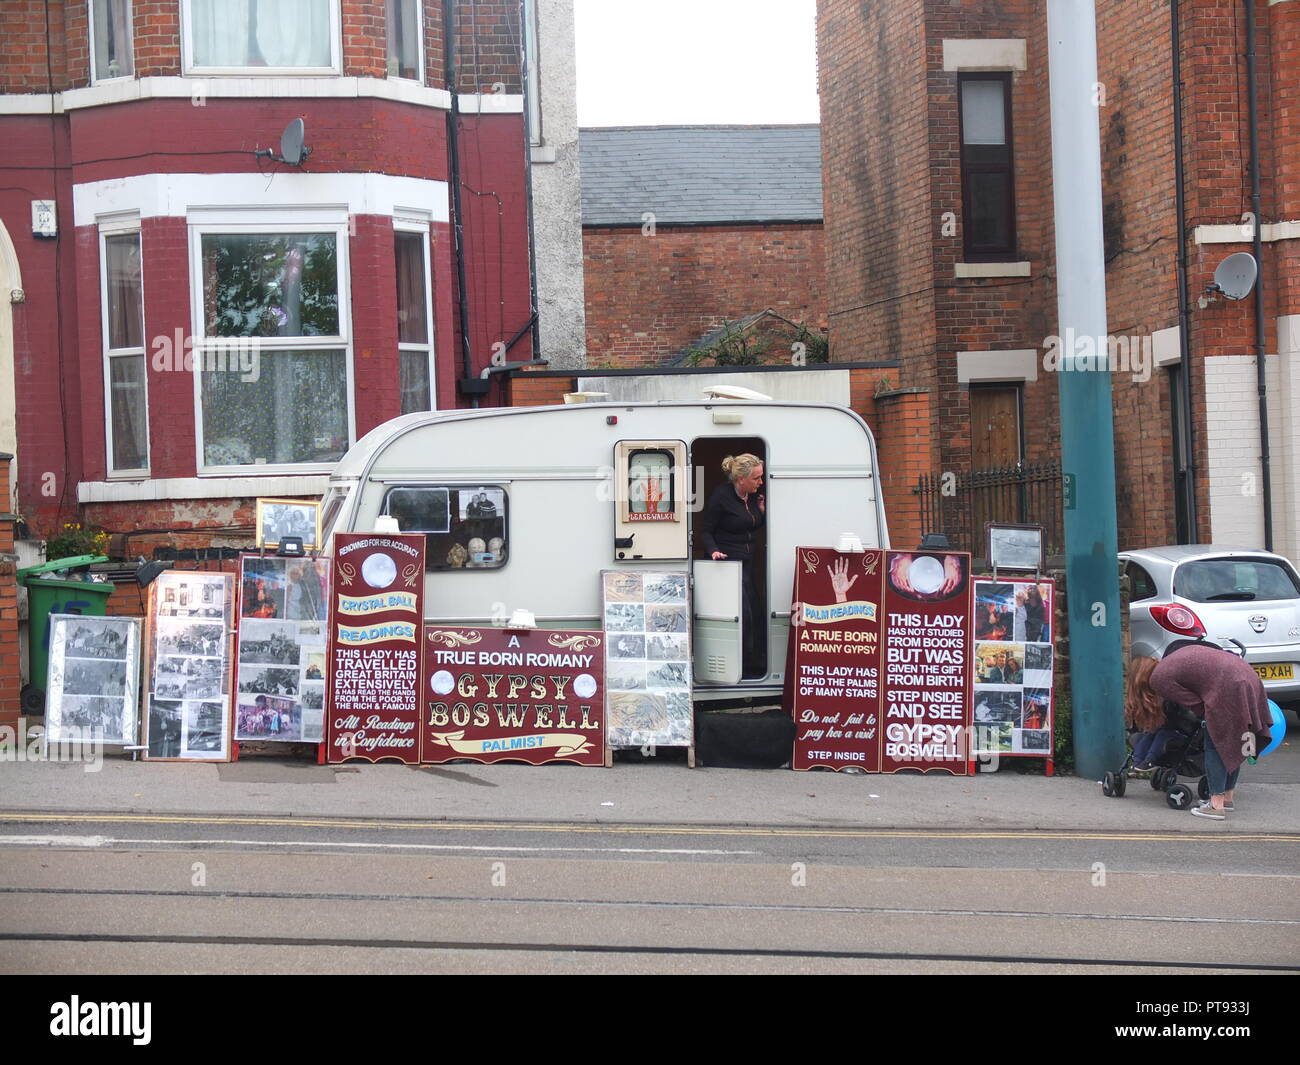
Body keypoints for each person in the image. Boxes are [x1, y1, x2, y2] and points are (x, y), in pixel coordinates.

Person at [1132, 642, 1271, 819]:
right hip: (1247, 674)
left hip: (1229, 684)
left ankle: (1215, 806)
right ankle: (1227, 798)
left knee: (1215, 745)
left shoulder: (1159, 678)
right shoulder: (1171, 662)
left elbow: (1195, 704)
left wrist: (1208, 715)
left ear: (1141, 679)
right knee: (1238, 740)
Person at [699, 453, 765, 676]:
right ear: (741, 479)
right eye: (756, 478)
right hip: (726, 565)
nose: (760, 482)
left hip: (746, 564)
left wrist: (762, 514)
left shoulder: (754, 498)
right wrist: (714, 551)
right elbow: (706, 530)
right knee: (742, 614)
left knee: (755, 612)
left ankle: (753, 663)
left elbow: (750, 525)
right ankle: (739, 666)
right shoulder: (721, 497)